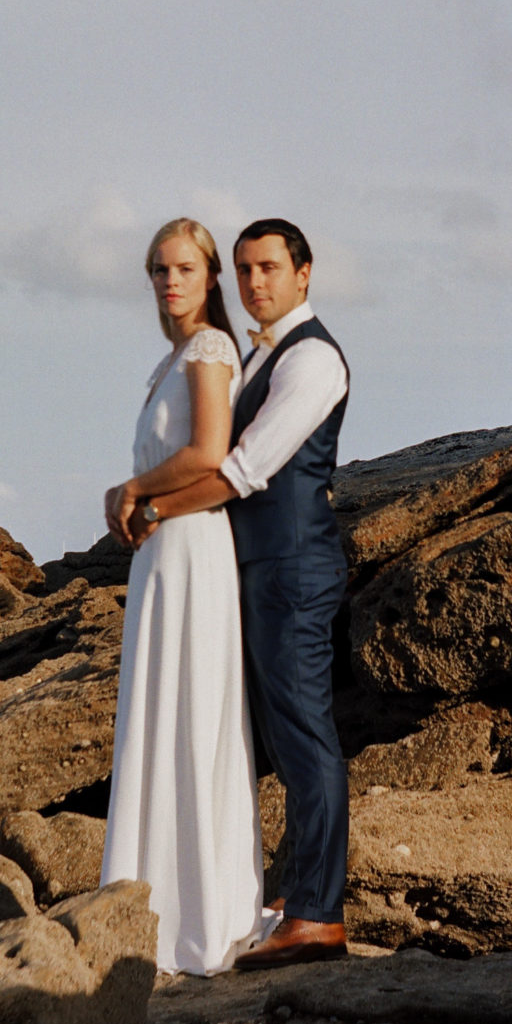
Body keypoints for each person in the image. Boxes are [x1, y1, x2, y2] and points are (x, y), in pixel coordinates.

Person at [127, 218, 351, 970]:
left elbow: (243, 468)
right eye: (247, 269)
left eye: (270, 268)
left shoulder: (313, 358)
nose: (256, 282)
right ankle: (294, 893)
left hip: (293, 568)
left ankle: (318, 913)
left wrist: (153, 506)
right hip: (253, 570)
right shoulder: (258, 354)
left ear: (304, 272)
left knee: (306, 736)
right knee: (279, 740)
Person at [98, 218, 268, 974]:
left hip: (194, 550)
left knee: (193, 714)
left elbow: (209, 450)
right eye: (161, 269)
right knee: (156, 716)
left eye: (187, 269)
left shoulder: (210, 349)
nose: (172, 281)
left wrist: (135, 488)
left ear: (210, 281)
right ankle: (153, 898)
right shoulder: (169, 359)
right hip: (162, 553)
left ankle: (200, 912)